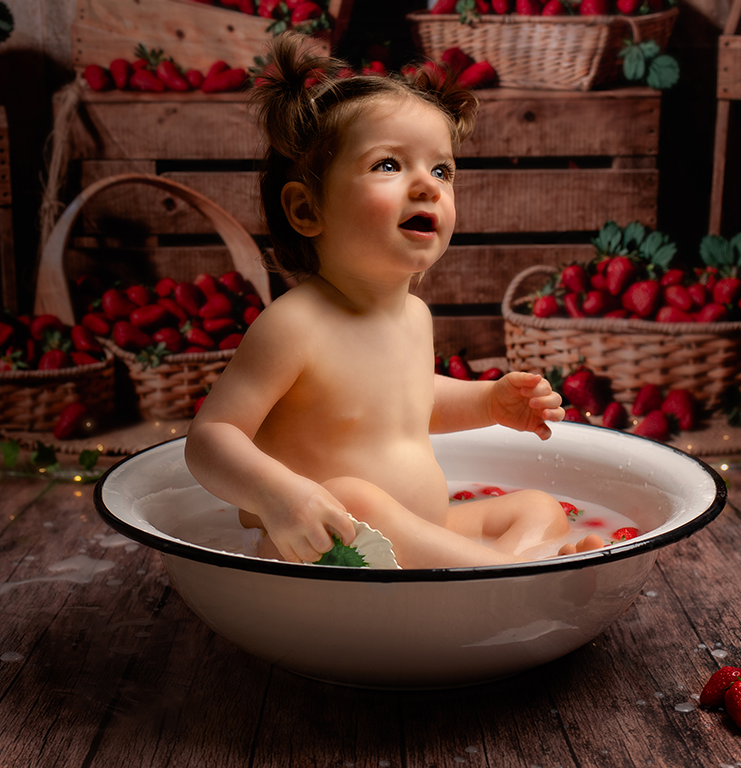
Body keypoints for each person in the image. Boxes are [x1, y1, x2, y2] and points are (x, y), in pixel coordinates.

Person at [184, 33, 603, 568]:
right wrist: (280, 495)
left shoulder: (414, 315)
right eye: (388, 165)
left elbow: (405, 401)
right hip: (330, 548)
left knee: (537, 508)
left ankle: (517, 565)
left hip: (423, 532)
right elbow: (210, 437)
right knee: (353, 497)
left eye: (441, 170)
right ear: (307, 210)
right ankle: (516, 576)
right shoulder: (295, 325)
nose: (427, 186)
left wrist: (486, 404)